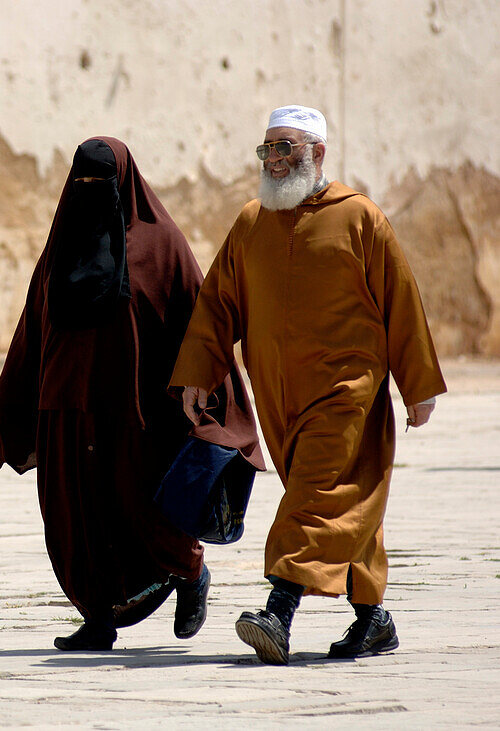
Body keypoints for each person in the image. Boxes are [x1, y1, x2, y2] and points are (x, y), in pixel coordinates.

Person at [169, 105, 446, 665]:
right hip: (279, 396)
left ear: (316, 153)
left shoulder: (360, 217)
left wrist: (417, 386)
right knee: (343, 500)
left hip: (347, 391)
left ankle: (280, 609)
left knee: (314, 495)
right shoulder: (251, 223)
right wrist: (199, 373)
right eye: (267, 148)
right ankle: (373, 618)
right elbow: (217, 303)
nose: (273, 159)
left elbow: (402, 302)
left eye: (285, 148)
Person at [0, 137, 264, 651]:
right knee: (73, 520)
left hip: (136, 411)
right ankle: (97, 619)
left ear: (125, 185)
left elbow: (196, 322)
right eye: (82, 182)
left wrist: (206, 394)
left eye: (101, 183)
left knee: (144, 510)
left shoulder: (163, 246)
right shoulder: (60, 249)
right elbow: (34, 328)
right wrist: (15, 404)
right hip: (65, 409)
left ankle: (190, 572)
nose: (90, 192)